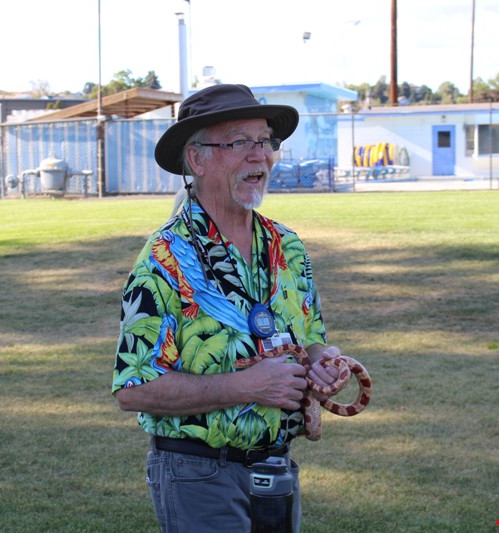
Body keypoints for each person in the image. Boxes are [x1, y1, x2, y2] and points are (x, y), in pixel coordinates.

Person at [112, 84, 343, 532]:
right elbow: (134, 388)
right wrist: (248, 386)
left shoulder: (287, 246)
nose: (260, 156)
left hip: (278, 468)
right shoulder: (163, 259)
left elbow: (311, 339)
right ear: (197, 159)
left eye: (265, 141)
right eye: (240, 142)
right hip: (199, 475)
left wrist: (324, 364)